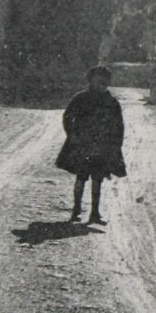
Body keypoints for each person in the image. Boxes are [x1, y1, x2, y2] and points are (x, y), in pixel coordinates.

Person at [55, 65, 126, 226]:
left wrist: (116, 145)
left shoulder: (112, 102)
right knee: (81, 178)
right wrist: (72, 134)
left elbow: (118, 125)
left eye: (105, 81)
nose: (102, 84)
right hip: (83, 144)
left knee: (98, 179)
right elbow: (67, 116)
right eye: (98, 80)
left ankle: (95, 212)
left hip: (102, 146)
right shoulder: (80, 98)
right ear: (91, 80)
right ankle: (76, 210)